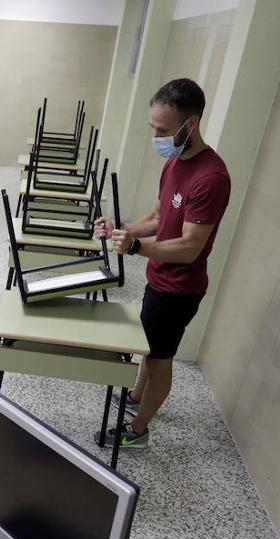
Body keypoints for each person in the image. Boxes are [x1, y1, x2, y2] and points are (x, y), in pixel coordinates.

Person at [94, 78, 230, 449]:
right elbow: (158, 217)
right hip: (159, 278)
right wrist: (121, 228)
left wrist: (136, 247)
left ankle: (139, 429)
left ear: (191, 124)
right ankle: (137, 396)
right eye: (153, 127)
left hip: (180, 288)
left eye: (163, 130)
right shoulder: (174, 163)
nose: (156, 136)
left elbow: (189, 247)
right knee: (148, 345)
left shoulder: (211, 178)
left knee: (159, 359)